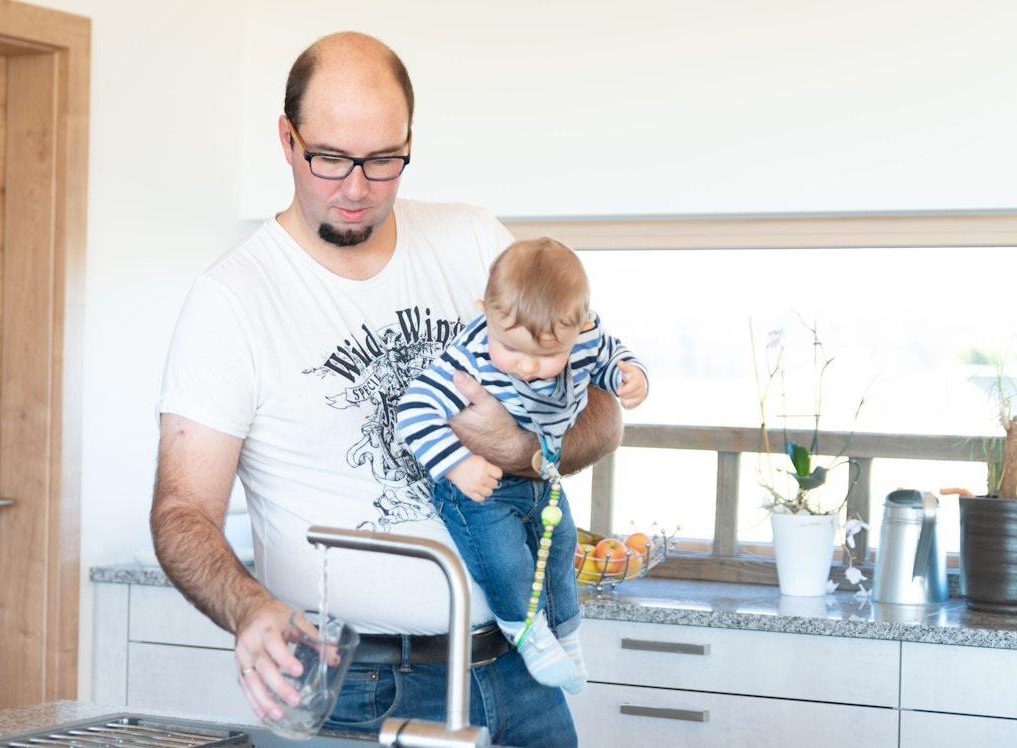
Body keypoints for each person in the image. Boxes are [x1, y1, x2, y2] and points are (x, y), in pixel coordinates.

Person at [149, 31, 645, 747]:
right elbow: (180, 512)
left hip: (518, 675)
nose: (355, 187)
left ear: (410, 140)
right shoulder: (232, 300)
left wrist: (519, 448)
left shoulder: (476, 242)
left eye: (383, 161)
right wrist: (251, 609)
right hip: (356, 685)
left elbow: (600, 413)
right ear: (287, 140)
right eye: (330, 159)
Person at [396, 237, 648, 695]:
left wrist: (631, 375)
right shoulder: (470, 357)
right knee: (507, 559)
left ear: (580, 326)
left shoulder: (584, 336)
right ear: (485, 312)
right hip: (478, 486)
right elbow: (413, 411)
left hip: (538, 477)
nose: (528, 366)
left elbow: (610, 356)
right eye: (512, 350)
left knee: (559, 549)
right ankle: (525, 631)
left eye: (548, 356)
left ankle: (565, 634)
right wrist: (458, 465)